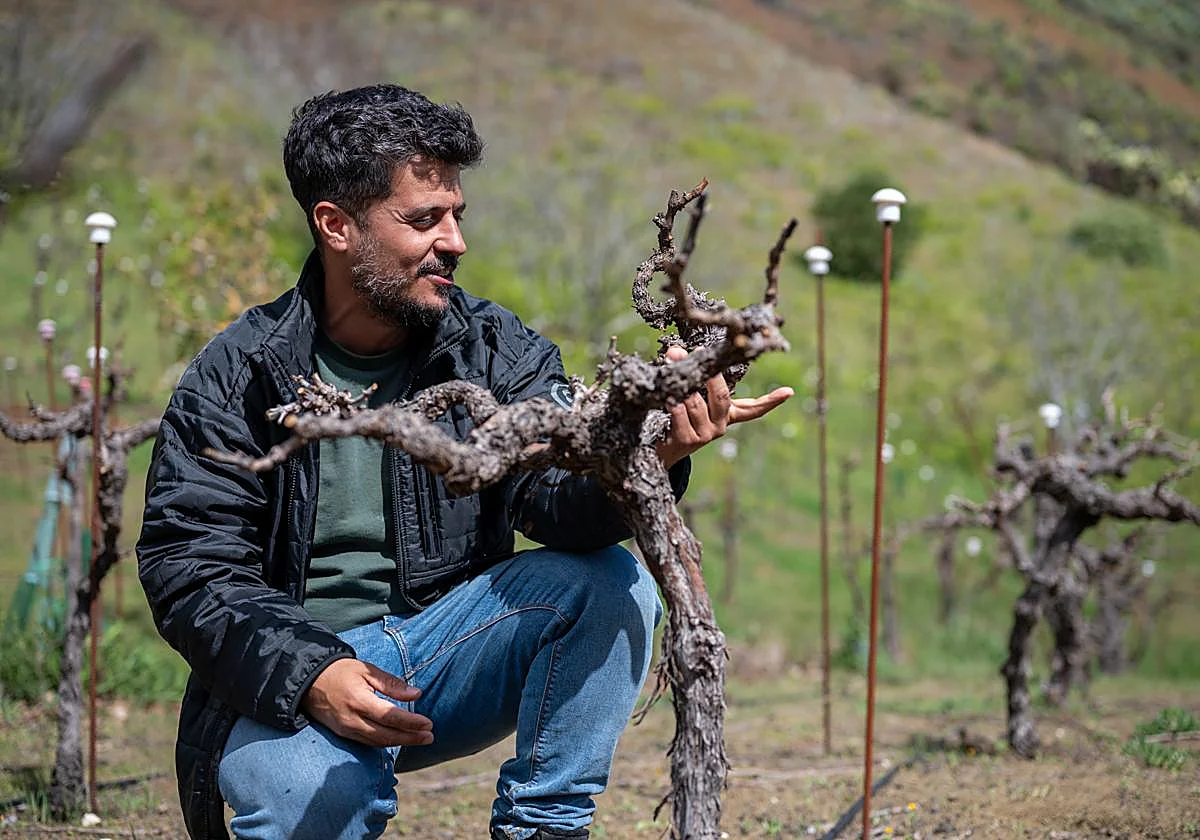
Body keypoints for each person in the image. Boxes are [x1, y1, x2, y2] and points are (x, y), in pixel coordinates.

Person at [136, 84, 792, 840]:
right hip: (288, 677)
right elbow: (191, 566)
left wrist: (650, 449)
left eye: (456, 215)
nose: (455, 241)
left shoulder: (492, 348)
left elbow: (555, 501)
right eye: (423, 219)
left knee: (609, 584)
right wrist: (312, 673)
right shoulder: (236, 372)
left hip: (442, 656)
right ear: (336, 225)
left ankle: (543, 830)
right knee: (305, 797)